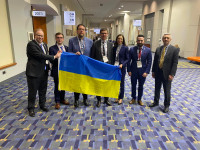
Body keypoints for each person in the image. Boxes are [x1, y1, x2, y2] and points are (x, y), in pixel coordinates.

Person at [26, 29, 61, 117]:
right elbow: (40, 55)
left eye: (42, 36)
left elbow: (45, 58)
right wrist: (54, 56)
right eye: (38, 35)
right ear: (35, 36)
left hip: (44, 71)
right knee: (32, 91)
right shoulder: (31, 44)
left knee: (43, 90)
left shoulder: (44, 45)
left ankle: (42, 105)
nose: (40, 37)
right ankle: (31, 108)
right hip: (33, 72)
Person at [149, 33, 179, 113]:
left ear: (170, 39)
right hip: (158, 72)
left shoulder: (174, 50)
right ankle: (156, 102)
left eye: (167, 38)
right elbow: (155, 61)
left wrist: (172, 74)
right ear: (162, 39)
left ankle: (166, 105)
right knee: (157, 88)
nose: (166, 39)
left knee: (167, 90)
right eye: (164, 38)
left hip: (167, 74)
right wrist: (153, 71)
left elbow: (175, 63)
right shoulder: (158, 49)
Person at [68, 24, 93, 108]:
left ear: (85, 31)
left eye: (83, 29)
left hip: (86, 66)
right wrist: (74, 54)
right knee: (77, 83)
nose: (81, 31)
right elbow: (69, 52)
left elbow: (92, 54)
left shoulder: (90, 41)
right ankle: (76, 99)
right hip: (76, 66)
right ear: (77, 31)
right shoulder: (72, 40)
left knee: (85, 82)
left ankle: (85, 99)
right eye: (80, 29)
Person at [90, 28, 114, 107]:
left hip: (107, 67)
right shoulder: (95, 43)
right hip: (98, 67)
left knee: (107, 83)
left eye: (105, 33)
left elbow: (112, 56)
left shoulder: (111, 44)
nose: (104, 35)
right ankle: (99, 99)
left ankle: (106, 99)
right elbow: (92, 55)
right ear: (100, 34)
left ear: (107, 34)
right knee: (98, 83)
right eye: (102, 33)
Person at [127, 35, 152, 106]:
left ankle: (139, 99)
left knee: (141, 86)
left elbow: (149, 61)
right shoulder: (132, 49)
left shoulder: (148, 50)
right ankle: (133, 98)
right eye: (139, 40)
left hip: (143, 72)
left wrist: (146, 72)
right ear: (136, 41)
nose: (140, 42)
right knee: (133, 85)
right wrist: (129, 70)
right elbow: (129, 61)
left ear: (144, 41)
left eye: (141, 40)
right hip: (133, 71)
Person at [49, 32, 69, 110]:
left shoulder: (66, 48)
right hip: (56, 70)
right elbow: (51, 60)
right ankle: (57, 101)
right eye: (58, 37)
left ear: (63, 39)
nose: (59, 39)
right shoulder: (52, 48)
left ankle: (62, 99)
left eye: (61, 37)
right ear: (56, 39)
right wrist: (56, 56)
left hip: (65, 70)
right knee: (57, 86)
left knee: (63, 85)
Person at [113, 34, 129, 105]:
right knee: (115, 82)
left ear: (123, 40)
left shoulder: (125, 48)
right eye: (118, 38)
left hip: (121, 67)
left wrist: (123, 64)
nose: (120, 40)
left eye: (121, 39)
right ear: (116, 39)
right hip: (115, 67)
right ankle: (116, 96)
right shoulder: (114, 47)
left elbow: (128, 59)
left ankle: (121, 97)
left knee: (121, 83)